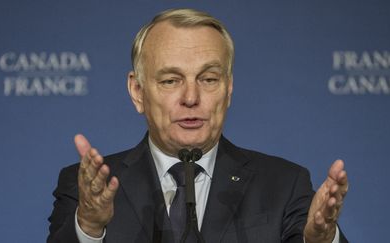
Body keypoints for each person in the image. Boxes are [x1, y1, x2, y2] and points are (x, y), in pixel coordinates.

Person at [48, 8, 349, 243]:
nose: (191, 97)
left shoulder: (284, 184)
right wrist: (87, 227)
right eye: (170, 80)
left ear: (228, 89)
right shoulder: (86, 189)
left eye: (208, 79)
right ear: (137, 91)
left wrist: (319, 239)